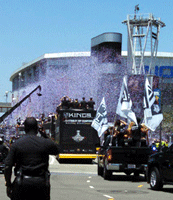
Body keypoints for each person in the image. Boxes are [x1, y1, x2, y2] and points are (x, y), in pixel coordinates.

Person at [4, 117, 59, 200]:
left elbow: (8, 165)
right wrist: (44, 135)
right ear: (37, 129)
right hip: (41, 183)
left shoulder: (17, 144)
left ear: (25, 129)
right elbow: (56, 150)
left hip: (22, 183)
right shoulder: (45, 142)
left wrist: (8, 184)